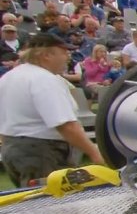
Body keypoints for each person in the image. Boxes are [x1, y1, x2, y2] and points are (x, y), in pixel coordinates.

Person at [0, 33, 104, 187]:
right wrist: (95, 154)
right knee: (52, 205)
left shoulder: (10, 77)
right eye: (63, 52)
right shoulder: (44, 80)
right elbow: (66, 125)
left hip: (13, 149)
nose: (67, 57)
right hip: (42, 152)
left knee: (32, 204)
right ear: (47, 55)